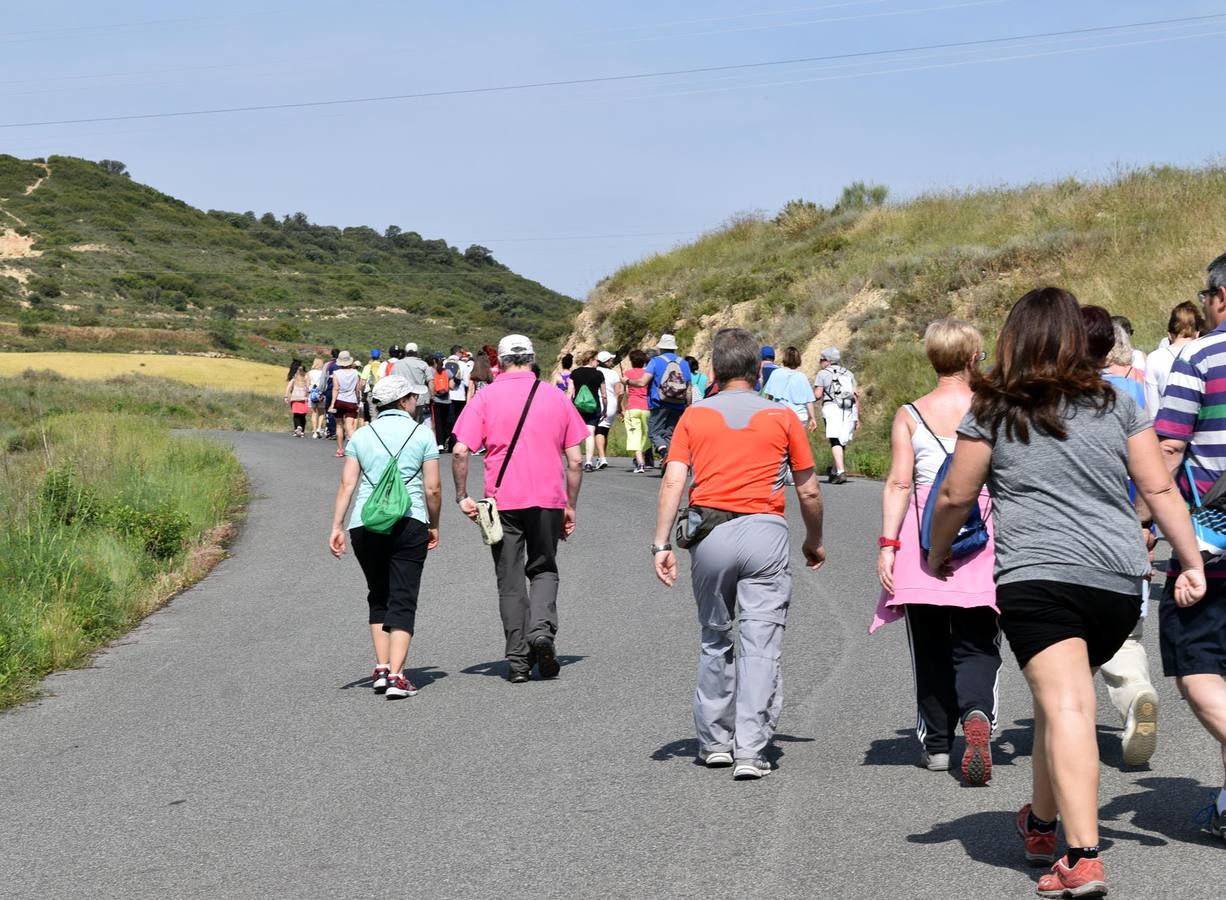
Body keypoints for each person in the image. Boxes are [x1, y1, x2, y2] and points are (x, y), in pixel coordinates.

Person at [929, 287, 1205, 897]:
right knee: (1063, 702)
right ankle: (1040, 821)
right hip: (1116, 583)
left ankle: (1082, 857)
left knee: (1068, 706)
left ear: (1014, 339)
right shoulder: (1114, 401)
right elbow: (1159, 491)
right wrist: (1190, 562)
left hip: (1038, 579)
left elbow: (954, 495)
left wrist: (937, 552)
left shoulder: (994, 408)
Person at [651, 327, 826, 780]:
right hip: (765, 533)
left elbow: (673, 480)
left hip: (710, 533)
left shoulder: (694, 415)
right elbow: (808, 490)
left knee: (715, 636)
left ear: (713, 370)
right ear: (757, 371)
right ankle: (751, 748)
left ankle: (714, 742)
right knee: (760, 644)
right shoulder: (781, 416)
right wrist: (813, 539)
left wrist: (661, 543)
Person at [871, 319, 1000, 784]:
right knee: (977, 638)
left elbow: (900, 482)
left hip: (923, 532)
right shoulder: (993, 408)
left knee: (928, 645)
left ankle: (940, 746)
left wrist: (888, 546)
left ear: (932, 359)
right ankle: (978, 713)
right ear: (972, 359)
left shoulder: (910, 413)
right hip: (982, 530)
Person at [452, 334, 587, 684]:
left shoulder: (485, 397)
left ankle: (517, 662)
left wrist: (462, 494)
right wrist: (570, 506)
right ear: (531, 358)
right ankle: (541, 632)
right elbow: (576, 459)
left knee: (510, 580)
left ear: (502, 362)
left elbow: (460, 451)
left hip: (502, 502)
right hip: (548, 499)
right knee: (544, 569)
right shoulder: (556, 397)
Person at [1154, 251, 1226, 841]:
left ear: (1221, 298)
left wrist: (1144, 521)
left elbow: (1171, 449)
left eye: (1206, 298)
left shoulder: (1198, 357)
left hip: (1212, 543)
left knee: (1197, 665)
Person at [1082, 307, 1162, 767]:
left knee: (1071, 649)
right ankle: (1137, 697)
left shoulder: (1052, 397)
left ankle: (1068, 734)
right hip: (1128, 533)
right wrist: (1147, 525)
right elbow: (1152, 473)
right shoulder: (1132, 391)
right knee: (1127, 637)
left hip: (1069, 540)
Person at [329, 376, 441, 700]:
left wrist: (337, 526)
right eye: (412, 398)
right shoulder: (422, 434)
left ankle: (380, 668)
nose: (415, 403)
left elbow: (346, 484)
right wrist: (434, 524)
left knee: (378, 593)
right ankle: (396, 675)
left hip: (365, 523)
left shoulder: (362, 435)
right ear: (404, 401)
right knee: (403, 596)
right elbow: (432, 488)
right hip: (410, 521)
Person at [625, 333, 692, 462]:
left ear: (661, 348)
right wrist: (688, 405)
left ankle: (664, 452)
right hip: (678, 403)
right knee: (669, 434)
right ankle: (671, 460)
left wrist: (627, 381)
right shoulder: (683, 363)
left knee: (654, 433)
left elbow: (642, 382)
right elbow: (688, 387)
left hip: (659, 403)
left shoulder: (656, 362)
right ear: (674, 348)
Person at [1144, 301, 1203, 414]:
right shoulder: (1206, 355)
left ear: (1169, 335)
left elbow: (1152, 410)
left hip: (1167, 427)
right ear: (1197, 334)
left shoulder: (1154, 358)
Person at [815, 347, 858, 484]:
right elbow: (856, 396)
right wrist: (857, 417)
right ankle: (834, 470)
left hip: (831, 407)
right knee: (841, 440)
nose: (820, 362)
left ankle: (840, 471)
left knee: (835, 439)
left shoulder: (823, 374)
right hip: (848, 409)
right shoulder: (849, 373)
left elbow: (817, 395)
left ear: (827, 361)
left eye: (821, 359)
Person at [762, 347, 819, 433]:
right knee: (795, 443)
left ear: (784, 358)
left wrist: (764, 413)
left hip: (782, 415)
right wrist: (812, 418)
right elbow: (809, 401)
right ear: (798, 359)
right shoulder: (802, 377)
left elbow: (768, 396)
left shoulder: (776, 373)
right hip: (799, 417)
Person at [568, 350, 607, 473]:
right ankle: (589, 463)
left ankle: (575, 460)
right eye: (596, 360)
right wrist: (605, 408)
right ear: (591, 360)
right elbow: (604, 395)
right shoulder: (599, 374)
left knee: (576, 434)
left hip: (577, 407)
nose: (598, 363)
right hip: (593, 406)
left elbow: (570, 393)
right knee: (590, 434)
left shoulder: (574, 373)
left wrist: (567, 408)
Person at [329, 351, 364, 458]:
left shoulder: (336, 373)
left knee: (339, 425)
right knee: (350, 426)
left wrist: (332, 403)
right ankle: (356, 449)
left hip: (339, 401)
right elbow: (357, 389)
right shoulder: (355, 373)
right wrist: (357, 400)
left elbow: (336, 388)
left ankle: (340, 449)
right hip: (351, 401)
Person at [622, 349, 651, 474]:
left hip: (633, 406)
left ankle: (640, 463)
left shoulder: (627, 373)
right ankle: (642, 458)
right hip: (647, 407)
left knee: (634, 435)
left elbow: (627, 392)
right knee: (645, 435)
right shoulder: (648, 373)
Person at [593, 350, 623, 470]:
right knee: (604, 431)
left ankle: (601, 457)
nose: (612, 362)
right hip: (612, 404)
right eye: (610, 360)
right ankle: (602, 456)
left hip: (600, 403)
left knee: (598, 431)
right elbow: (619, 392)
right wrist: (620, 408)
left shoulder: (596, 372)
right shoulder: (613, 374)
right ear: (605, 361)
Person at [393, 342, 434, 423]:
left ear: (406, 352)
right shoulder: (423, 364)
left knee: (403, 422)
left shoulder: (397, 364)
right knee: (417, 423)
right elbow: (430, 381)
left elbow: (392, 381)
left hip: (402, 400)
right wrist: (432, 396)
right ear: (416, 352)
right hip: (418, 399)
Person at [447, 346, 473, 450]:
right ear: (458, 353)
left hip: (447, 395)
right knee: (458, 421)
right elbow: (467, 383)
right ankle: (455, 442)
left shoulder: (445, 363)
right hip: (460, 396)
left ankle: (448, 442)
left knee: (448, 420)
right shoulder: (463, 365)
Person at [430, 355, 453, 452]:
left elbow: (430, 384)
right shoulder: (448, 372)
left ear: (434, 361)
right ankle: (445, 441)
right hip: (447, 400)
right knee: (446, 423)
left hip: (437, 400)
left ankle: (439, 444)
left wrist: (432, 395)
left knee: (438, 423)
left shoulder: (431, 372)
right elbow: (451, 386)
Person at [284, 359, 311, 437]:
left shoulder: (294, 377)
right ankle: (302, 429)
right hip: (304, 398)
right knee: (303, 415)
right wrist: (308, 396)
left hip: (295, 398)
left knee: (296, 414)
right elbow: (308, 387)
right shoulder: (306, 376)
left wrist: (286, 396)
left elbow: (289, 386)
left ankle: (297, 428)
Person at [360, 349, 384, 421]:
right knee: (381, 413)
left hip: (371, 392)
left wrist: (363, 395)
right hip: (382, 393)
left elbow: (363, 382)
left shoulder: (367, 367)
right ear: (380, 356)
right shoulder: (383, 366)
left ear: (371, 356)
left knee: (373, 414)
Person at [322, 348, 340, 440]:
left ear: (331, 355)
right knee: (340, 411)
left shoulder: (328, 365)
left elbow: (323, 379)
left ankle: (332, 431)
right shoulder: (343, 365)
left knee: (329, 410)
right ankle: (341, 431)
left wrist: (321, 391)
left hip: (330, 389)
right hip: (341, 391)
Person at [307, 356, 327, 438]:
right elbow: (324, 384)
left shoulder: (309, 373)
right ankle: (319, 428)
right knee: (322, 412)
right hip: (321, 394)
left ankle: (314, 432)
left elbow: (308, 385)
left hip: (312, 394)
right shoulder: (323, 373)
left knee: (314, 413)